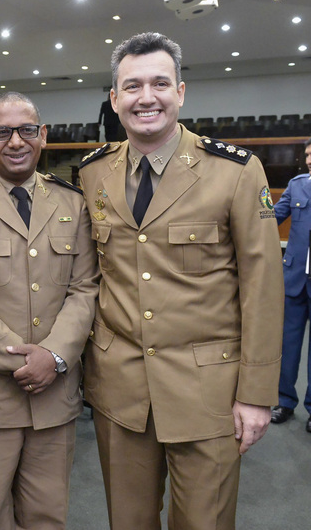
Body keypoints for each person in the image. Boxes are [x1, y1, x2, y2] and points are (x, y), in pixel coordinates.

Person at [78, 32, 283, 529]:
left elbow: (262, 289)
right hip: (120, 389)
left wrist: (256, 394)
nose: (146, 97)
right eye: (132, 86)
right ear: (115, 99)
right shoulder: (93, 172)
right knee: (128, 521)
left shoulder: (235, 171)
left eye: (159, 83)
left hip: (208, 391)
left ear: (181, 92)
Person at [0, 92, 99, 530]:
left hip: (55, 395)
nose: (15, 141)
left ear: (42, 135)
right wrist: (21, 359)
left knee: (47, 516)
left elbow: (85, 288)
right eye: (2, 132)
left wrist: (54, 356)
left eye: (26, 130)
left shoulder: (73, 202)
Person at [271, 137, 311, 433]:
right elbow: (270, 217)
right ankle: (284, 401)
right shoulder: (297, 185)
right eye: (308, 155)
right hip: (294, 279)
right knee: (287, 344)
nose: (309, 160)